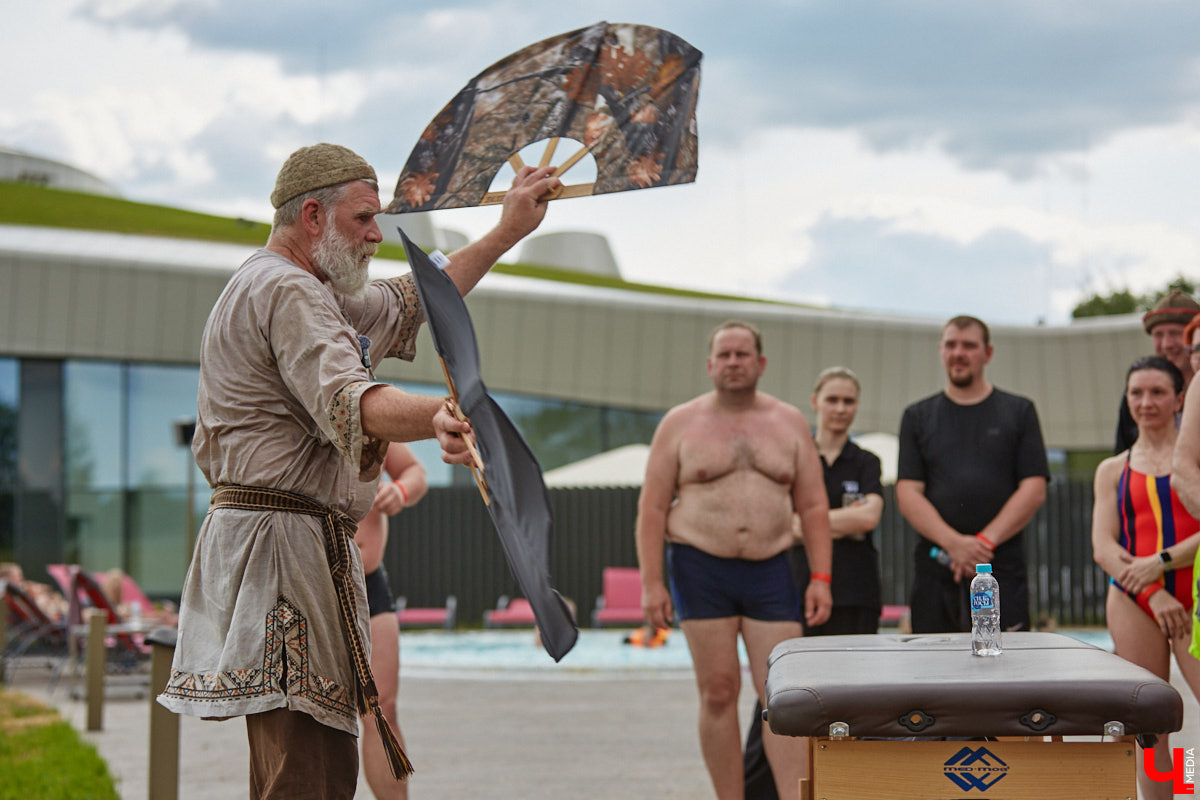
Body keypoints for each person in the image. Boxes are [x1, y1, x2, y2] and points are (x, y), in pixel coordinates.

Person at [157, 142, 559, 799]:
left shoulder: (308, 288)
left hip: (283, 544)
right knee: (309, 774)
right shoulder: (286, 290)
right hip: (282, 550)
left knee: (304, 762)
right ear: (311, 215)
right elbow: (353, 399)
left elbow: (415, 298)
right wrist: (442, 414)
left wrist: (509, 228)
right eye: (364, 219)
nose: (377, 235)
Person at [636, 319, 833, 800]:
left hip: (770, 567)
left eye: (742, 354)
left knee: (783, 699)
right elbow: (653, 507)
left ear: (760, 363)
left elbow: (812, 506)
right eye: (724, 355)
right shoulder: (680, 423)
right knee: (719, 690)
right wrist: (652, 584)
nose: (733, 363)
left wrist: (821, 577)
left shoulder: (787, 422)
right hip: (700, 566)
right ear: (709, 365)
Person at [741, 365, 884, 799]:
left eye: (849, 401)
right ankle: (760, 789)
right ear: (815, 402)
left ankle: (847, 787)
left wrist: (808, 522)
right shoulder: (790, 455)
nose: (840, 409)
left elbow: (869, 516)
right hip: (793, 590)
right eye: (833, 399)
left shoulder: (867, 461)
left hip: (855, 594)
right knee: (780, 697)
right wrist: (832, 523)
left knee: (853, 699)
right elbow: (776, 520)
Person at [896, 315, 1049, 634]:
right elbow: (908, 493)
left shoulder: (1019, 411)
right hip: (936, 569)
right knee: (933, 676)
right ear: (941, 351)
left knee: (1005, 676)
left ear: (988, 353)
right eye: (951, 345)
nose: (959, 353)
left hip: (1000, 568)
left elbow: (1033, 488)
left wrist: (981, 543)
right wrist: (953, 544)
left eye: (969, 345)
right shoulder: (917, 417)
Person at [1094, 356, 1200, 800]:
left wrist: (1161, 561)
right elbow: (1104, 547)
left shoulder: (1193, 465)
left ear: (1181, 398)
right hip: (1136, 599)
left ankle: (1189, 781)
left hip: (1194, 593)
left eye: (1158, 392)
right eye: (1136, 393)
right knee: (1150, 724)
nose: (1146, 402)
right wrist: (1154, 592)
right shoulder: (1113, 470)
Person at [354, 442, 427, 800]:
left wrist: (400, 490)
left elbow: (415, 472)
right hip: (310, 581)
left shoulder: (372, 409)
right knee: (305, 715)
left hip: (369, 583)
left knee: (382, 709)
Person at [1114, 290, 1200, 453]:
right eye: (1158, 335)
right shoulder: (1139, 393)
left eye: (1175, 333)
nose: (1167, 344)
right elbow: (1124, 450)